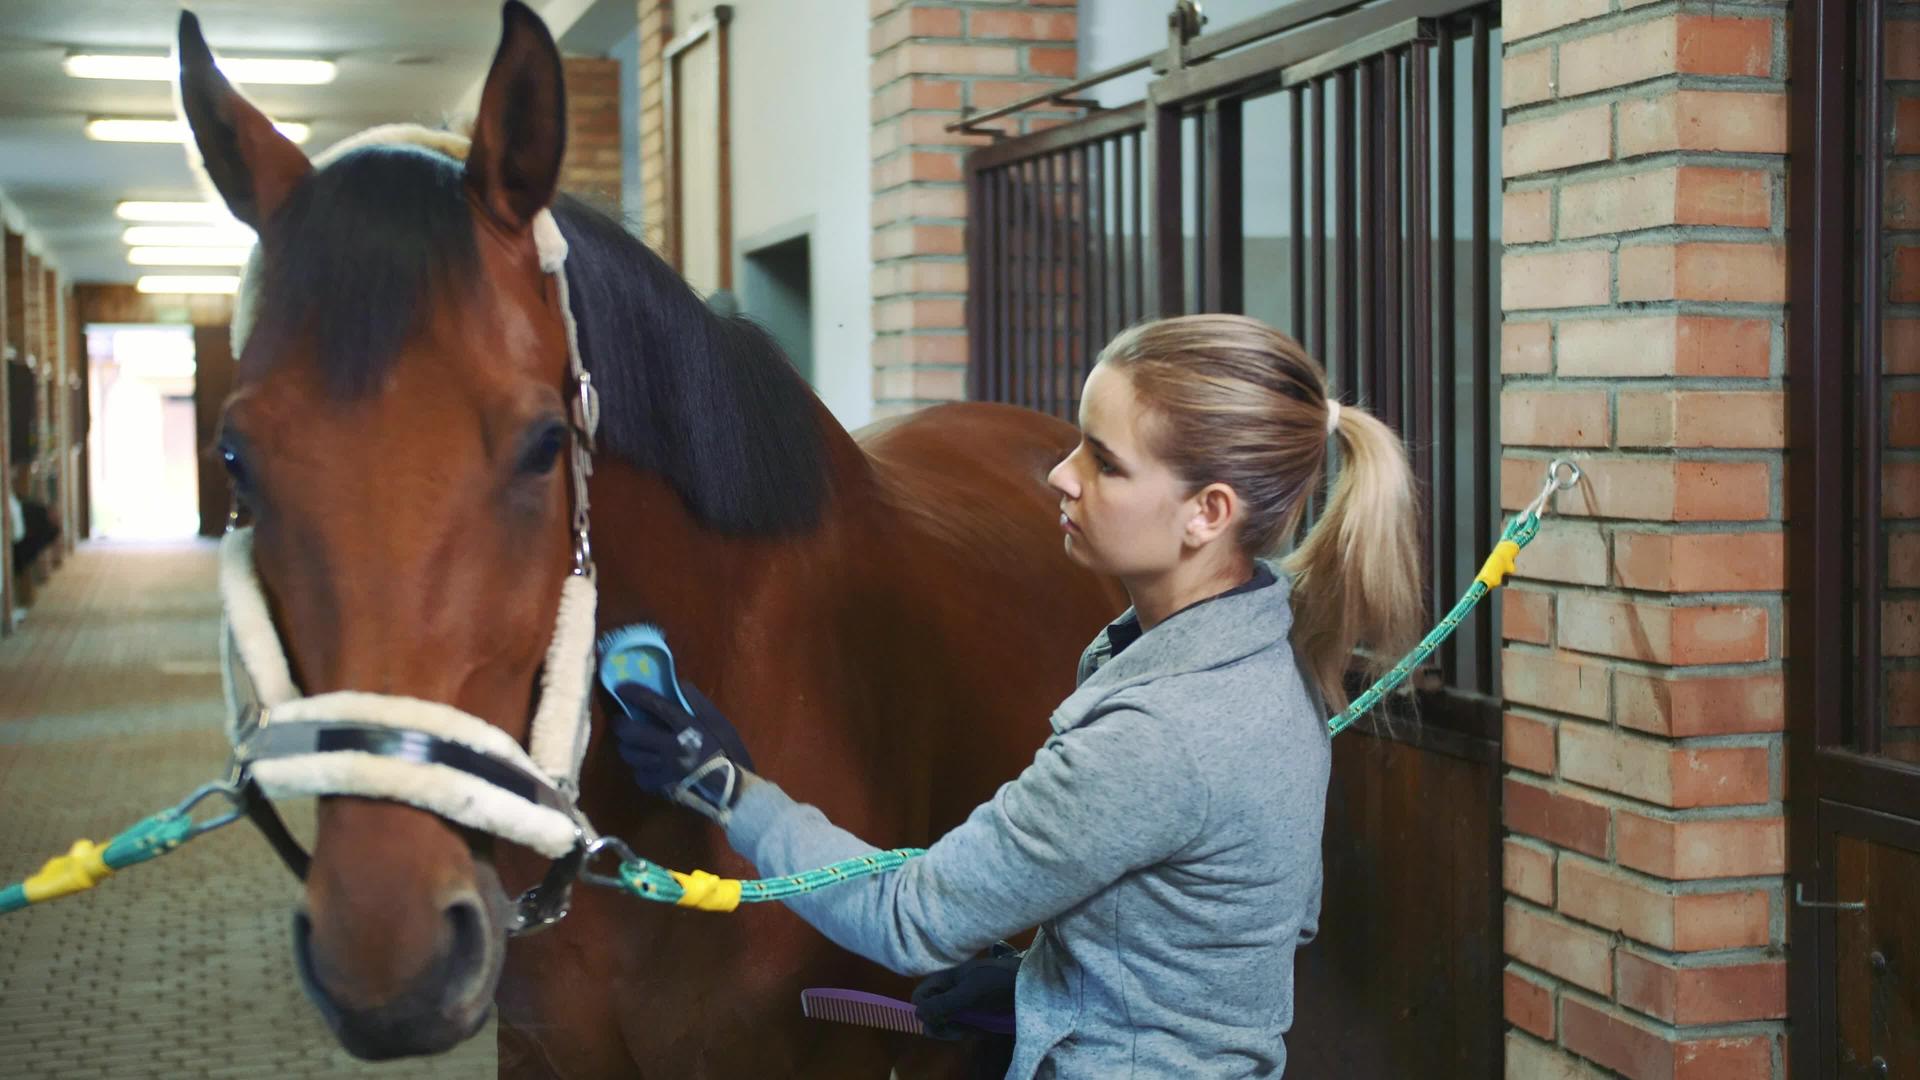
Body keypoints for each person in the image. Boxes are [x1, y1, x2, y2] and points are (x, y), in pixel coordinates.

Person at [601, 314, 1423, 1078]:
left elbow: (911, 916)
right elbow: (1272, 920)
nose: (1062, 476)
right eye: (1077, 444)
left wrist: (732, 791)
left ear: (1207, 513)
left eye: (1104, 461)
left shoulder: (1155, 733)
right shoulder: (1273, 658)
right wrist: (1046, 985)